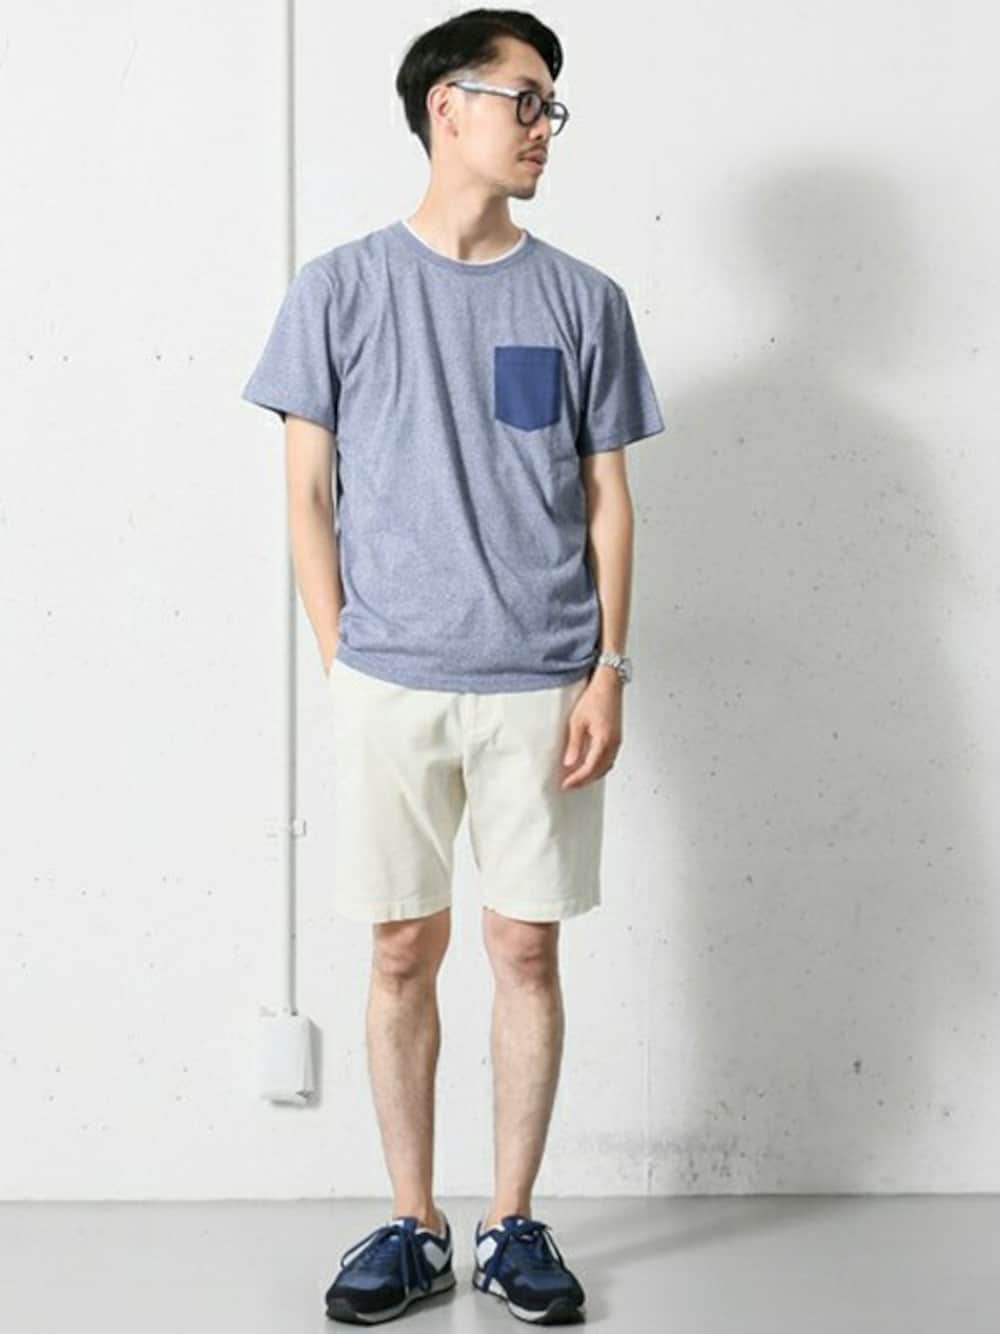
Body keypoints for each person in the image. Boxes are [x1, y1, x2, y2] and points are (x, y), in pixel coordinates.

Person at [241, 7, 664, 1325]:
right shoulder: (338, 288)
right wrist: (343, 659)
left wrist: (610, 665)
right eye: (524, 99)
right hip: (392, 680)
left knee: (525, 950)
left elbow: (609, 499)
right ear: (447, 106)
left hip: (544, 679)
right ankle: (413, 1223)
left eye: (552, 106)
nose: (544, 127)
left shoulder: (583, 297)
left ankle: (514, 1221)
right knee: (399, 951)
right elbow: (306, 496)